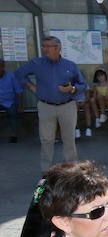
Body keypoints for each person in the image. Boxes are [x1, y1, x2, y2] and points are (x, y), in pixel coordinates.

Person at [14, 36, 86, 171]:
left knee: (69, 139)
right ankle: (46, 171)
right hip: (46, 106)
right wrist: (30, 85)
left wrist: (72, 89)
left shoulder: (70, 65)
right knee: (46, 140)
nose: (44, 49)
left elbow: (82, 84)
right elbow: (18, 73)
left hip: (67, 105)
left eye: (48, 46)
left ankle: (72, 171)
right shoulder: (37, 63)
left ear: (58, 48)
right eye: (43, 46)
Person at [0, 58, 23, 143]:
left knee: (12, 113)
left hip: (9, 102)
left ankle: (13, 134)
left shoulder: (11, 76)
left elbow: (19, 92)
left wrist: (20, 107)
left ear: (3, 67)